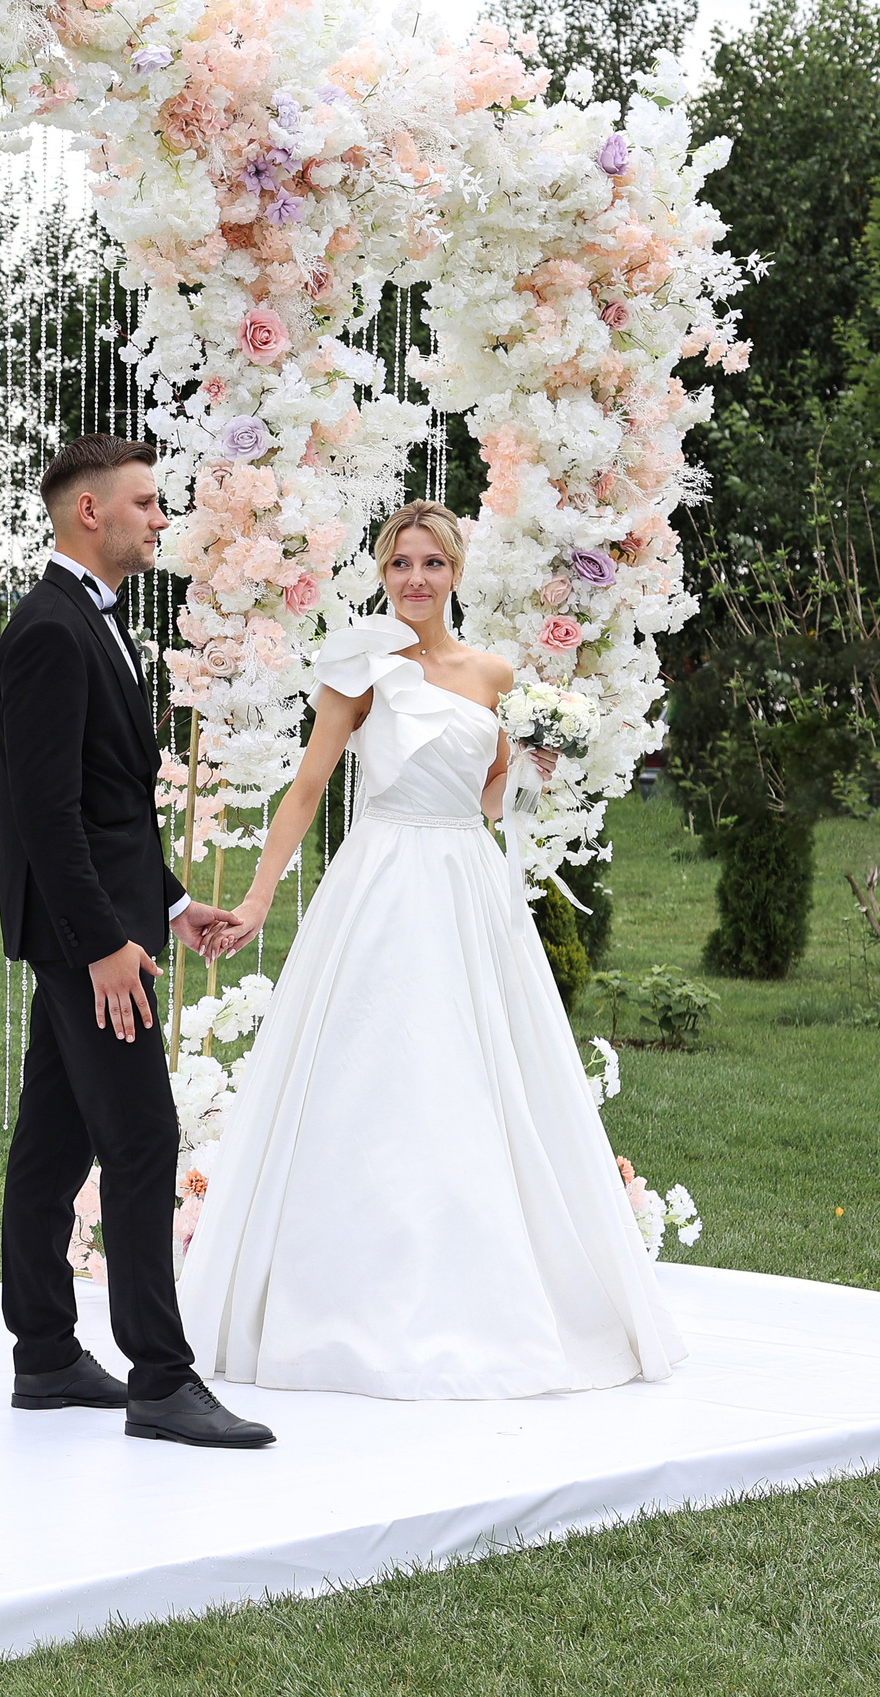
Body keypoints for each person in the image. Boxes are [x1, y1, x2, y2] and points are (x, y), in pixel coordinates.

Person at [181, 501, 684, 1398]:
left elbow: (488, 798)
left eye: (432, 564)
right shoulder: (360, 667)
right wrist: (259, 897)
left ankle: (490, 1289)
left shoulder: (494, 673)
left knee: (478, 1073)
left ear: (455, 571)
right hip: (382, 877)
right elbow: (306, 790)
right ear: (383, 571)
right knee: (379, 1069)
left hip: (468, 881)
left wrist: (530, 770)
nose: (415, 579)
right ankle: (344, 1300)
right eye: (400, 563)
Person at [0, 433, 274, 1449]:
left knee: (53, 1146)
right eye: (147, 503)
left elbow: (111, 812)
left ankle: (46, 1358)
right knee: (143, 1138)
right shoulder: (49, 633)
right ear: (88, 513)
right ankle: (160, 1376)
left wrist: (168, 904)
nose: (162, 519)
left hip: (103, 923)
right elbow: (45, 814)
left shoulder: (95, 625)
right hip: (84, 942)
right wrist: (106, 942)